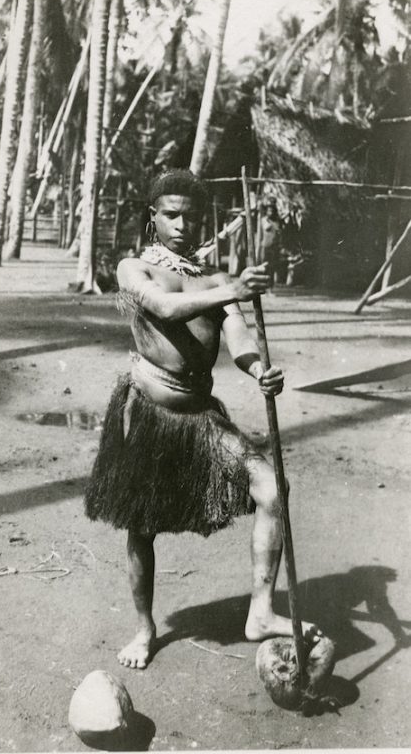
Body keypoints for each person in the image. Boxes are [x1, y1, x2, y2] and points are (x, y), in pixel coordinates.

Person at [85, 169, 316, 669]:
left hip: (202, 415)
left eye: (191, 216)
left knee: (273, 490)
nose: (182, 225)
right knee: (141, 524)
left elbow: (236, 334)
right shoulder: (134, 269)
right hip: (148, 411)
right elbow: (165, 308)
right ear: (153, 218)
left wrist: (259, 369)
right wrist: (230, 289)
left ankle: (260, 611)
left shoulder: (212, 278)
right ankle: (145, 629)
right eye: (171, 215)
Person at [257, 195, 284, 285]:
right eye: (269, 210)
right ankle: (264, 286)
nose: (270, 212)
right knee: (265, 266)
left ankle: (270, 286)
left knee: (273, 267)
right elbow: (264, 229)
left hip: (274, 246)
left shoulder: (277, 221)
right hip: (265, 246)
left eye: (272, 210)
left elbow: (279, 233)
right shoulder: (264, 220)